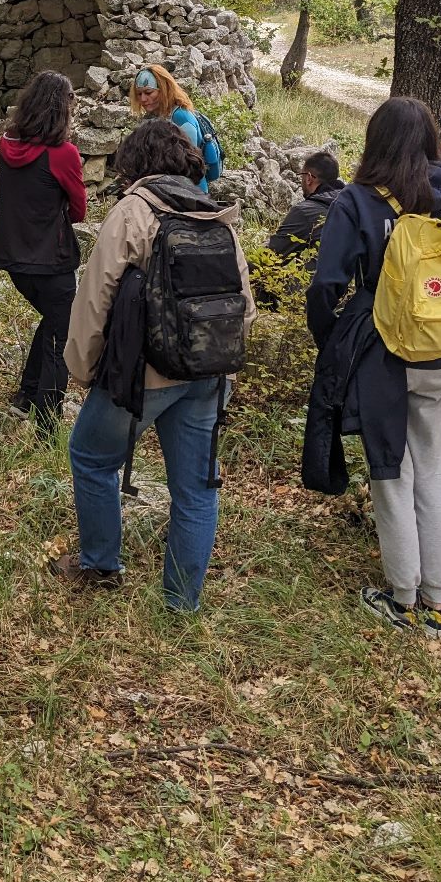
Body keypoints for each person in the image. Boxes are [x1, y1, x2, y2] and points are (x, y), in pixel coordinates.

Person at [305, 97, 441, 638]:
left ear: (374, 141)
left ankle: (402, 598)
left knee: (391, 473)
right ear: (433, 140)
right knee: (435, 474)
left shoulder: (357, 201)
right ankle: (436, 599)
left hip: (381, 355)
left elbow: (326, 285)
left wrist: (331, 341)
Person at [54, 119, 255, 608]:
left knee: (90, 457)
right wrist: (220, 366)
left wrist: (82, 369)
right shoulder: (216, 215)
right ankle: (182, 601)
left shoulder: (133, 212)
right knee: (196, 489)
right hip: (207, 374)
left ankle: (100, 564)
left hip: (141, 376)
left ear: (133, 165)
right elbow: (244, 307)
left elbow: (96, 297)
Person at [0, 71, 87, 436]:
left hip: (14, 260)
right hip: (53, 261)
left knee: (52, 322)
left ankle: (26, 396)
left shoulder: (5, 145)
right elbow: (78, 211)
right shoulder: (64, 154)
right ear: (63, 109)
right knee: (60, 338)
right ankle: (47, 426)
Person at [129, 64, 209, 191]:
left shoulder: (182, 118)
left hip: (191, 192)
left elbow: (189, 164)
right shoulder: (154, 117)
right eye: (139, 94)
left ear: (164, 89)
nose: (143, 99)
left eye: (149, 92)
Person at [266, 150, 344, 261]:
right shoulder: (355, 204)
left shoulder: (305, 212)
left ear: (308, 178)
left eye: (301, 175)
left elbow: (270, 257)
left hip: (322, 277)